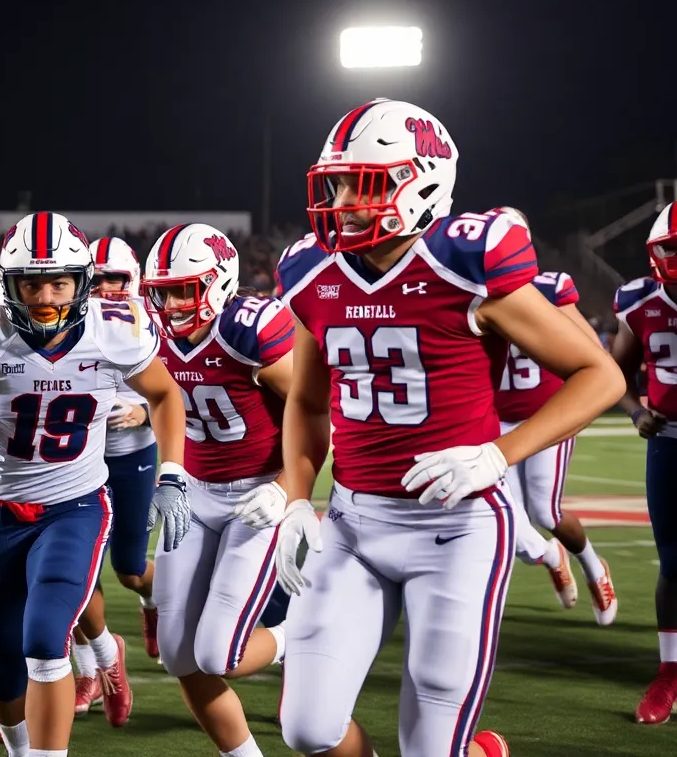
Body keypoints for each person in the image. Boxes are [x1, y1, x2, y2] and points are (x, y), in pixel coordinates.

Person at [273, 99, 625, 757]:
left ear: (422, 181)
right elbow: (307, 402)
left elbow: (600, 376)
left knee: (431, 744)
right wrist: (297, 498)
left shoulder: (465, 264)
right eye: (339, 182)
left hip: (457, 527)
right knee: (308, 730)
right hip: (352, 524)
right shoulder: (310, 271)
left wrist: (498, 455)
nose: (343, 199)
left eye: (364, 182)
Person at [0, 212, 187, 757]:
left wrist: (172, 472)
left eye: (59, 281)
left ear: (82, 282)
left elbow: (165, 395)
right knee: (0, 656)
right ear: (7, 283)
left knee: (43, 639)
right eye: (30, 282)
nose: (44, 296)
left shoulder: (116, 329)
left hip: (75, 506)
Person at [142, 223, 295, 757]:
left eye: (185, 287)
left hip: (256, 495)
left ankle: (299, 632)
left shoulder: (247, 327)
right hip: (195, 491)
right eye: (162, 291)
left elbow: (316, 410)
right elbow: (168, 402)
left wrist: (285, 486)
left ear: (218, 280)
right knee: (176, 652)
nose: (172, 302)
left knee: (219, 653)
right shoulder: (154, 335)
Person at [491, 208, 617, 623]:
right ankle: (547, 554)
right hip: (495, 419)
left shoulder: (550, 287)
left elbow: (589, 351)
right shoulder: (464, 289)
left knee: (544, 512)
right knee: (503, 517)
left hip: (547, 414)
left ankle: (594, 565)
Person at [66, 237, 154, 726]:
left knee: (130, 568)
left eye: (113, 279)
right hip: (82, 462)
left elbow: (181, 387)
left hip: (134, 457)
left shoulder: (154, 317)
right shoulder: (70, 319)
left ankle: (150, 600)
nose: (103, 289)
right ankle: (87, 672)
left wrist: (145, 409)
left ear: (132, 278)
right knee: (80, 576)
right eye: (94, 280)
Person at [611, 201, 677, 724]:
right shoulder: (638, 302)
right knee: (674, 564)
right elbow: (613, 376)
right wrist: (635, 411)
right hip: (671, 443)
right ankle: (669, 674)